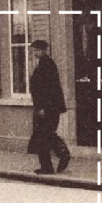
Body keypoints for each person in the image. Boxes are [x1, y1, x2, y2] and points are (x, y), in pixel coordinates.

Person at [27, 40, 71, 175]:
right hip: (46, 107)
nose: (34, 53)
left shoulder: (47, 64)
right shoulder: (43, 64)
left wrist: (42, 108)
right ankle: (57, 159)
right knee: (46, 135)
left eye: (37, 50)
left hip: (47, 108)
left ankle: (52, 163)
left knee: (43, 136)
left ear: (44, 50)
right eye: (34, 50)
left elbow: (47, 89)